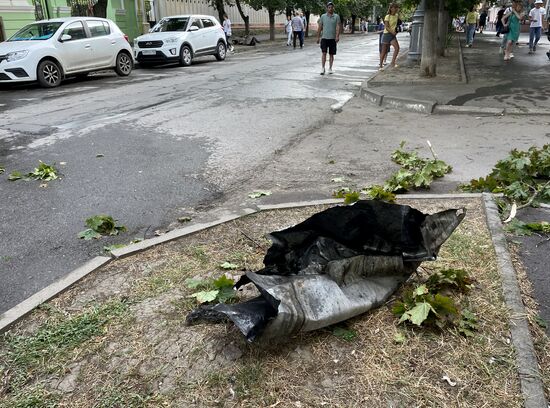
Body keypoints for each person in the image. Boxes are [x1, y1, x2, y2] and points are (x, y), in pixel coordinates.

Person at [316, 1, 341, 75]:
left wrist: (337, 36)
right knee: (324, 53)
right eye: (329, 7)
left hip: (332, 38)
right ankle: (323, 68)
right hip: (324, 38)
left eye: (331, 7)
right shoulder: (323, 16)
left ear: (333, 8)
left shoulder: (336, 16)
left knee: (331, 54)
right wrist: (318, 37)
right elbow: (320, 27)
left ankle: (330, 68)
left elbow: (338, 27)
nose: (330, 9)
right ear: (327, 8)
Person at [379, 3, 400, 70]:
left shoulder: (396, 15)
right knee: (384, 51)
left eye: (396, 8)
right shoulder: (387, 16)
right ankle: (381, 66)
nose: (396, 9)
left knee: (397, 48)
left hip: (392, 35)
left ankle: (393, 63)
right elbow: (386, 27)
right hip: (386, 34)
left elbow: (397, 24)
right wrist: (393, 32)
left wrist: (396, 31)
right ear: (391, 9)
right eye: (394, 8)